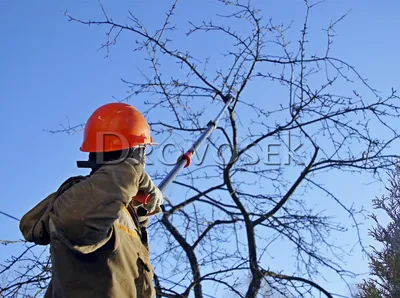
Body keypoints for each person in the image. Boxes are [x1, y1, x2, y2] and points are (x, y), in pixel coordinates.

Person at [19, 102, 163, 298]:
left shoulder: (114, 209)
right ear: (135, 153)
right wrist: (130, 174)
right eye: (143, 150)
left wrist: (138, 210)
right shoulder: (81, 200)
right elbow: (77, 220)